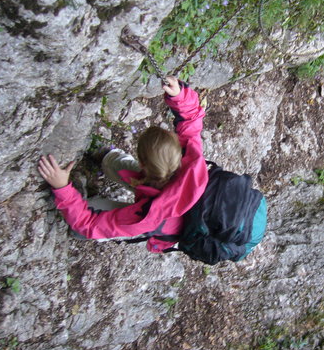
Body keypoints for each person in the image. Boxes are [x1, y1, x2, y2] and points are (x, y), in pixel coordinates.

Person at [37, 76, 209, 253]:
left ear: (142, 164)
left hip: (159, 216)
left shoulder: (144, 218)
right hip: (157, 194)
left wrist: (63, 188)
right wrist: (179, 95)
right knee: (118, 164)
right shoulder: (193, 162)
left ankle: (77, 232)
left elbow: (88, 223)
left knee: (85, 222)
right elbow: (191, 120)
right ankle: (105, 157)